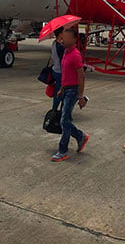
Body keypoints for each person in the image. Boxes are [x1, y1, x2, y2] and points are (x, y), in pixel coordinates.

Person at [51, 25, 90, 162]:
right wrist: (61, 87)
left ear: (74, 39)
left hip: (73, 90)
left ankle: (63, 150)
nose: (62, 39)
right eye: (62, 37)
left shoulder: (75, 55)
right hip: (66, 88)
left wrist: (80, 96)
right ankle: (81, 136)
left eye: (65, 37)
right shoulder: (66, 52)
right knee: (65, 120)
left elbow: (81, 76)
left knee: (64, 120)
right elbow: (66, 73)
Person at [49, 27, 66, 112]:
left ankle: (57, 110)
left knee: (59, 91)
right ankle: (56, 111)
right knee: (61, 92)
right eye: (64, 32)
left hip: (55, 69)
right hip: (60, 72)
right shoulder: (60, 47)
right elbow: (63, 62)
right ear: (60, 34)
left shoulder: (54, 43)